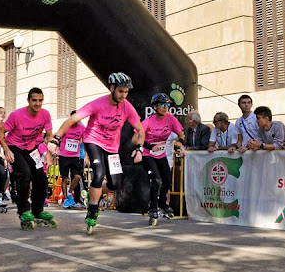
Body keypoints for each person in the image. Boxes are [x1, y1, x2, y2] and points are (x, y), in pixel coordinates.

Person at [48, 73, 144, 234]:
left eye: (126, 92)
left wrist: (139, 148)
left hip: (112, 147)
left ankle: (92, 194)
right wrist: (56, 138)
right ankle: (92, 210)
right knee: (98, 175)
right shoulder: (98, 104)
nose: (123, 95)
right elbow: (72, 120)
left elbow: (140, 129)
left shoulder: (127, 107)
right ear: (111, 88)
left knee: (115, 184)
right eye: (121, 91)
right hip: (94, 141)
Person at [0, 87, 54, 230]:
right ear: (28, 101)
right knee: (25, 174)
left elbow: (49, 135)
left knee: (41, 178)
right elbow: (1, 132)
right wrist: (6, 149)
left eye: (40, 100)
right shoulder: (17, 115)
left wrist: (49, 148)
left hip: (32, 148)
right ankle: (23, 210)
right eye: (34, 100)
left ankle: (38, 210)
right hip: (14, 147)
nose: (37, 104)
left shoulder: (45, 115)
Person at [140, 93, 185, 225]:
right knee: (156, 180)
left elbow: (181, 134)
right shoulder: (148, 121)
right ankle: (153, 208)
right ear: (155, 107)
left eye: (167, 105)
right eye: (162, 105)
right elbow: (138, 138)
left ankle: (162, 204)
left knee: (167, 182)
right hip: (148, 154)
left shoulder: (171, 119)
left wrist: (180, 144)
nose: (165, 108)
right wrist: (149, 145)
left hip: (161, 155)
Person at [58, 110, 86, 210]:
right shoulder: (66, 125)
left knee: (78, 176)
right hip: (64, 155)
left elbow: (85, 139)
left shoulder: (82, 128)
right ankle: (66, 198)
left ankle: (70, 193)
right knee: (64, 178)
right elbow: (58, 136)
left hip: (75, 156)